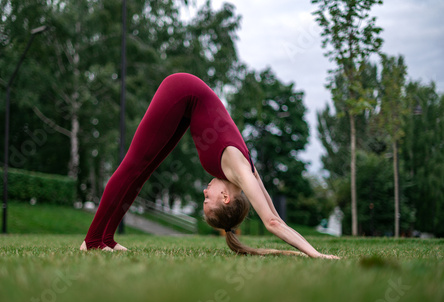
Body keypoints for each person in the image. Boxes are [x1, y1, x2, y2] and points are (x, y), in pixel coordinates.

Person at [80, 73, 339, 259]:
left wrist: (311, 252)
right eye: (208, 200)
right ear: (225, 198)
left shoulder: (247, 175)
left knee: (143, 171)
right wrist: (317, 254)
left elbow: (277, 218)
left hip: (188, 105)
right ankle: (92, 241)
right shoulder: (240, 172)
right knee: (133, 165)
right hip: (182, 91)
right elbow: (272, 222)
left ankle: (106, 240)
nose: (204, 193)